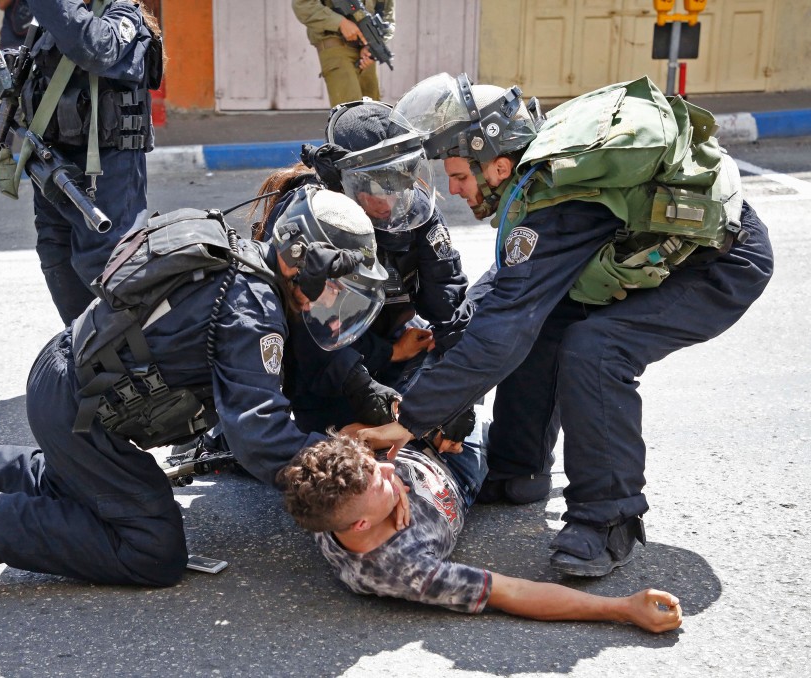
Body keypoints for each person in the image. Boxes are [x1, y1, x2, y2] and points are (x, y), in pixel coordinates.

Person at [359, 73, 775, 577]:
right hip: (660, 248)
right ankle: (518, 469)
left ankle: (609, 520)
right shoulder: (539, 178)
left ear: (497, 162)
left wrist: (411, 418)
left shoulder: (558, 200)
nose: (453, 189)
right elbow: (503, 298)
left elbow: (502, 331)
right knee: (536, 315)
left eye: (460, 176)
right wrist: (442, 389)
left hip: (719, 262)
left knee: (596, 347)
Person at [0, 188, 388, 588]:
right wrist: (354, 469)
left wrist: (374, 400)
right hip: (81, 405)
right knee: (153, 550)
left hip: (69, 387)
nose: (336, 300)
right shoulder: (255, 312)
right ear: (304, 262)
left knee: (70, 482)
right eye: (337, 285)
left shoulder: (251, 270)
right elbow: (259, 435)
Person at [278, 434, 683, 633]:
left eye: (376, 467)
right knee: (525, 474)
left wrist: (393, 443)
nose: (389, 470)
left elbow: (346, 443)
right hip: (464, 469)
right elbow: (513, 593)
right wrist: (621, 608)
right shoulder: (404, 570)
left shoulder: (324, 498)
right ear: (362, 525)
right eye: (381, 484)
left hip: (423, 436)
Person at [248, 99, 473, 438]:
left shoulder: (415, 210)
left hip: (394, 335)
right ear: (342, 182)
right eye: (375, 188)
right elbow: (308, 331)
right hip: (327, 363)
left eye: (398, 183)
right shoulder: (311, 217)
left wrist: (456, 393)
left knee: (441, 420)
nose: (389, 202)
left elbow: (449, 300)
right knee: (356, 439)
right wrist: (369, 379)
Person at [0, 0, 163, 325]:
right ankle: (86, 350)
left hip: (105, 178)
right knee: (56, 257)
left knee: (109, 270)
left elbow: (94, 48)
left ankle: (132, 360)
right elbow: (33, 74)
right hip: (54, 168)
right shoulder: (56, 19)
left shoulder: (123, 15)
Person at [292, 0, 395, 107]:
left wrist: (373, 46)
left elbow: (387, 15)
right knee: (350, 112)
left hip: (366, 48)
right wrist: (340, 23)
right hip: (335, 42)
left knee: (373, 111)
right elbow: (302, 5)